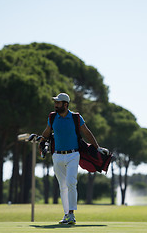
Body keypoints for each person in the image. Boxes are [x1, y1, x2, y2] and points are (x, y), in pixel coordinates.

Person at [39, 92, 102, 225]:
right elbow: (47, 131)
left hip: (73, 154)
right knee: (63, 186)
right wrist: (42, 139)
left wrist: (97, 147)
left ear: (65, 104)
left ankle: (72, 214)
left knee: (71, 182)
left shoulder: (76, 117)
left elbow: (86, 132)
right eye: (55, 102)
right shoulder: (52, 117)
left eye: (58, 103)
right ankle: (66, 214)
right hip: (57, 155)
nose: (56, 105)